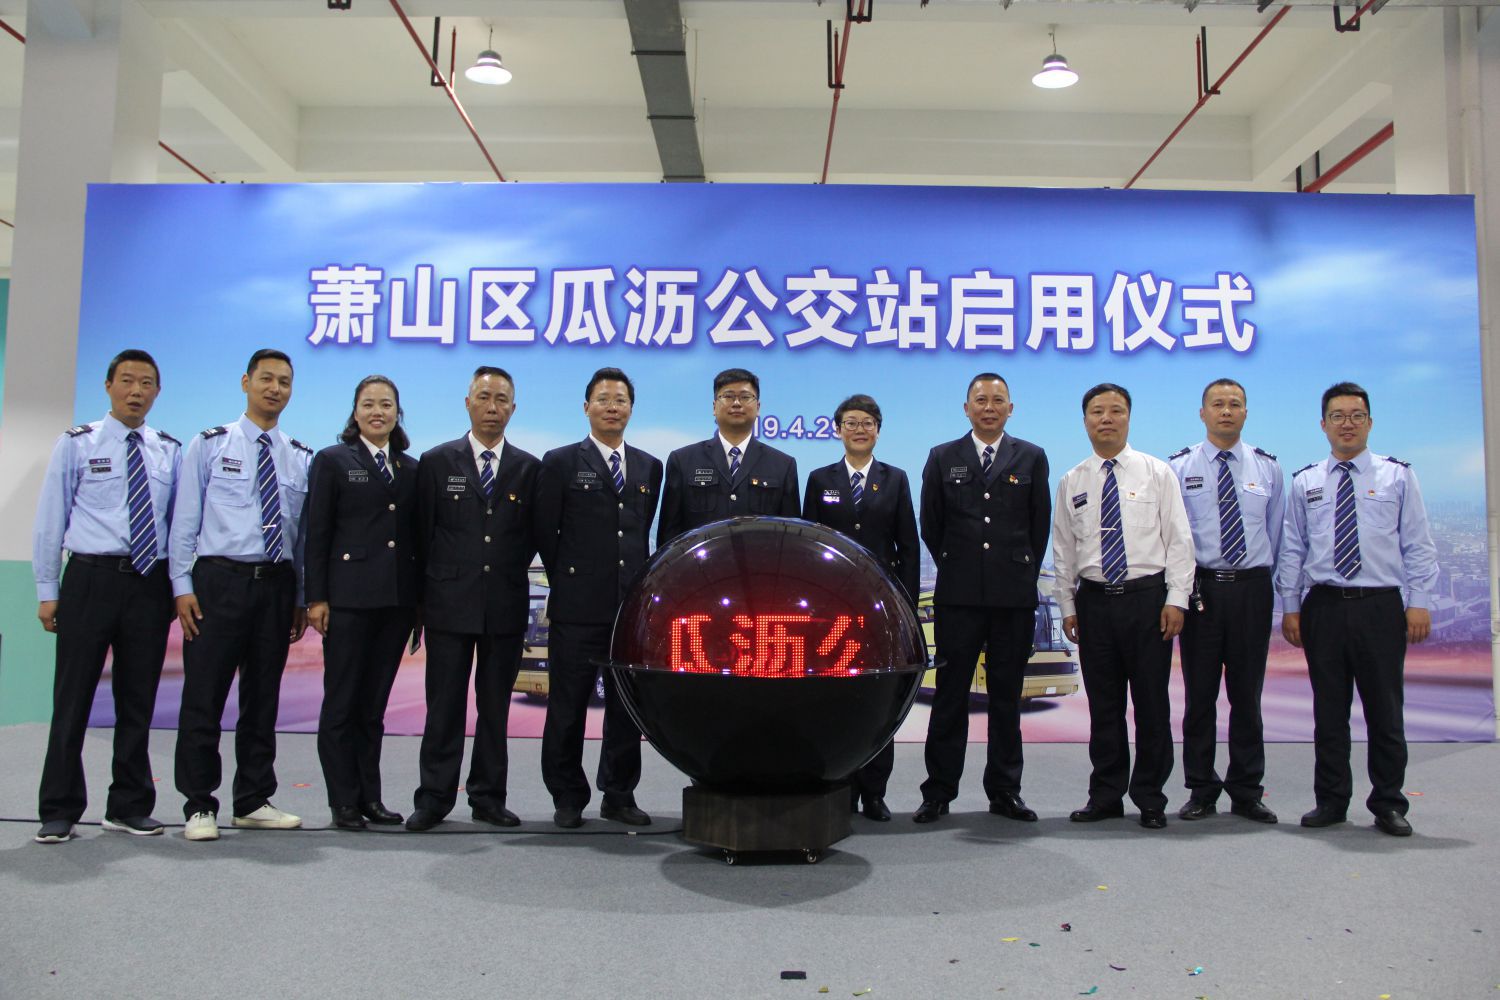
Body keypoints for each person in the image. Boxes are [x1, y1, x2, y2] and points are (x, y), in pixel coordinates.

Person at [31, 349, 181, 844]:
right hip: (90, 579)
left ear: (157, 391)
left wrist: (177, 586)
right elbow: (50, 519)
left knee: (137, 701)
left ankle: (129, 805)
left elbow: (178, 525)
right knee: (72, 699)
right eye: (127, 381)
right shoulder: (77, 443)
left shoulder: (168, 450)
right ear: (109, 385)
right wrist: (47, 590)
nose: (136, 391)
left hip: (148, 583)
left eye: (146, 383)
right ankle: (59, 808)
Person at [1277, 381, 1438, 837]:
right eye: (1338, 416)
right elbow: (1293, 548)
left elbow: (1418, 544)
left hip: (1380, 606)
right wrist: (1290, 606)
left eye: (1356, 415)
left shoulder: (1397, 477)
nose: (1347, 424)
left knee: (1385, 711)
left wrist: (1419, 602)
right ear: (1323, 424)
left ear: (1369, 422)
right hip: (1324, 606)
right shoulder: (1305, 481)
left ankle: (1388, 803)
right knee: (1329, 712)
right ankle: (1331, 800)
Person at [170, 349, 311, 842]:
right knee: (204, 695)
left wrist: (299, 597)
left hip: (275, 586)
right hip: (219, 582)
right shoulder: (210, 445)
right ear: (246, 382)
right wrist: (182, 586)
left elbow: (301, 538)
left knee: (262, 698)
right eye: (266, 379)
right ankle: (198, 804)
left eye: (284, 382)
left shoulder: (299, 456)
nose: (275, 388)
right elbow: (184, 522)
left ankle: (252, 799)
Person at [1052, 383, 1193, 829]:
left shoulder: (1157, 473)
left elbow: (1179, 541)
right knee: (1104, 707)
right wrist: (1067, 605)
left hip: (1147, 602)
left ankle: (1150, 797)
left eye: (1116, 410)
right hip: (1094, 604)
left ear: (1129, 417)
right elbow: (1063, 550)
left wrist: (1177, 599)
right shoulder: (1072, 481)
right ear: (1085, 421)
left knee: (1151, 706)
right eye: (1097, 411)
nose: (1106, 418)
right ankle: (1106, 795)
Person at [912, 374, 1051, 825]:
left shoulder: (1031, 456)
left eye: (997, 400)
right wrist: (961, 564)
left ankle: (1005, 791)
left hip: (1012, 597)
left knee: (1006, 697)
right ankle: (938, 792)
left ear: (1011, 408)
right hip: (959, 595)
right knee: (951, 695)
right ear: (966, 408)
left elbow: (1039, 525)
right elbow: (931, 524)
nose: (989, 407)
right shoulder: (942, 456)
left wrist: (1016, 570)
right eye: (980, 400)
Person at [406, 366, 539, 832]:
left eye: (501, 399)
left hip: (504, 604)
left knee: (495, 708)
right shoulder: (437, 462)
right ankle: (433, 798)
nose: (492, 407)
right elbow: (422, 535)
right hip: (448, 604)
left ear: (513, 409)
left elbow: (532, 536)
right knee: (443, 706)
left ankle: (488, 797)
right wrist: (420, 604)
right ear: (467, 403)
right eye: (484, 397)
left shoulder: (529, 468)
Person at [535, 368, 663, 829]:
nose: (613, 407)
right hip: (577, 608)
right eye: (604, 399)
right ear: (586, 407)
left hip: (628, 609)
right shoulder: (560, 462)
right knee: (567, 707)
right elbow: (546, 533)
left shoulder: (649, 466)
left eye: (621, 399)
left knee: (626, 708)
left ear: (631, 408)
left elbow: (640, 532)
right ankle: (567, 795)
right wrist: (572, 581)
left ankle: (619, 793)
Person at [303, 375, 420, 830]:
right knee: (342, 704)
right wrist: (316, 597)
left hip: (395, 605)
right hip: (348, 602)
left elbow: (416, 542)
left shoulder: (410, 468)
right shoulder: (333, 461)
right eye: (369, 404)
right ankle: (343, 801)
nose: (378, 412)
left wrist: (417, 607)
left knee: (373, 708)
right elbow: (317, 532)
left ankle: (371, 797)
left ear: (397, 413)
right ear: (355, 412)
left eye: (386, 405)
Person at [1167, 378, 1282, 825]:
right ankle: (1201, 788)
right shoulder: (1179, 467)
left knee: (1247, 696)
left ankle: (1247, 791)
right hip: (1202, 591)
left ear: (1246, 412)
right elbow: (1174, 538)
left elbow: (1276, 534)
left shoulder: (1268, 468)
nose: (1226, 411)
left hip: (1252, 589)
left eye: (1235, 404)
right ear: (1203, 413)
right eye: (1218, 404)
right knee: (1200, 696)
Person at [802, 393, 920, 822]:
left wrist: (905, 606)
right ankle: (839, 787)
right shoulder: (820, 479)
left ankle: (874, 792)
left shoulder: (895, 479)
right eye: (851, 422)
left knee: (878, 699)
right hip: (831, 611)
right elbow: (806, 544)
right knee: (833, 698)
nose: (859, 429)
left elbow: (908, 546)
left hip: (879, 609)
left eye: (867, 422)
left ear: (878, 431)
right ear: (837, 430)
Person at [657, 367, 799, 547]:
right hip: (700, 565)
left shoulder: (783, 465)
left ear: (758, 407)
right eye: (728, 396)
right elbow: (669, 536)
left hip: (760, 563)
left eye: (745, 397)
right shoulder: (683, 461)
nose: (737, 403)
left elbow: (791, 538)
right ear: (714, 407)